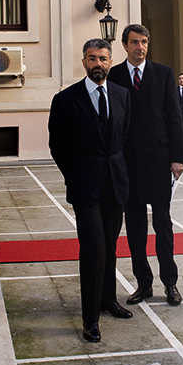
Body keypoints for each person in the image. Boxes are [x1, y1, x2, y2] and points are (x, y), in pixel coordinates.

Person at [48, 39, 132, 342]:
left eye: (104, 59)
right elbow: (58, 146)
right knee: (94, 247)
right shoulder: (66, 100)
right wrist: (75, 175)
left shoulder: (122, 96)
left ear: (111, 61)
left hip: (115, 185)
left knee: (109, 245)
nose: (99, 64)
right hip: (85, 187)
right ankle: (90, 318)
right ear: (84, 62)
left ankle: (108, 300)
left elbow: (122, 137)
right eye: (93, 58)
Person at [108, 24, 183, 306]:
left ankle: (170, 282)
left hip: (158, 160)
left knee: (163, 224)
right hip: (127, 163)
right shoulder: (114, 75)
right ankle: (143, 283)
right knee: (136, 227)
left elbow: (174, 116)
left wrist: (178, 157)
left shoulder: (163, 73)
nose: (140, 47)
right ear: (125, 45)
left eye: (144, 42)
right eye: (134, 42)